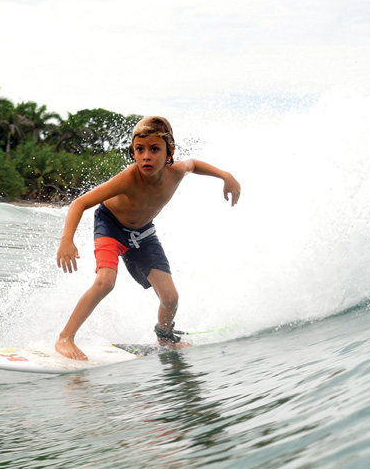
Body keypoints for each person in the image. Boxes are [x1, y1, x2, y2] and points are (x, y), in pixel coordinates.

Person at [54, 116, 241, 360]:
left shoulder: (177, 172)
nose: (146, 156)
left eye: (154, 149)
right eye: (139, 150)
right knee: (106, 282)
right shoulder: (128, 178)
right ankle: (65, 338)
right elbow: (80, 203)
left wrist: (226, 175)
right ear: (133, 153)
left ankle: (164, 336)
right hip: (110, 226)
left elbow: (193, 164)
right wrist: (67, 239)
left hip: (143, 234)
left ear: (169, 152)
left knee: (171, 298)